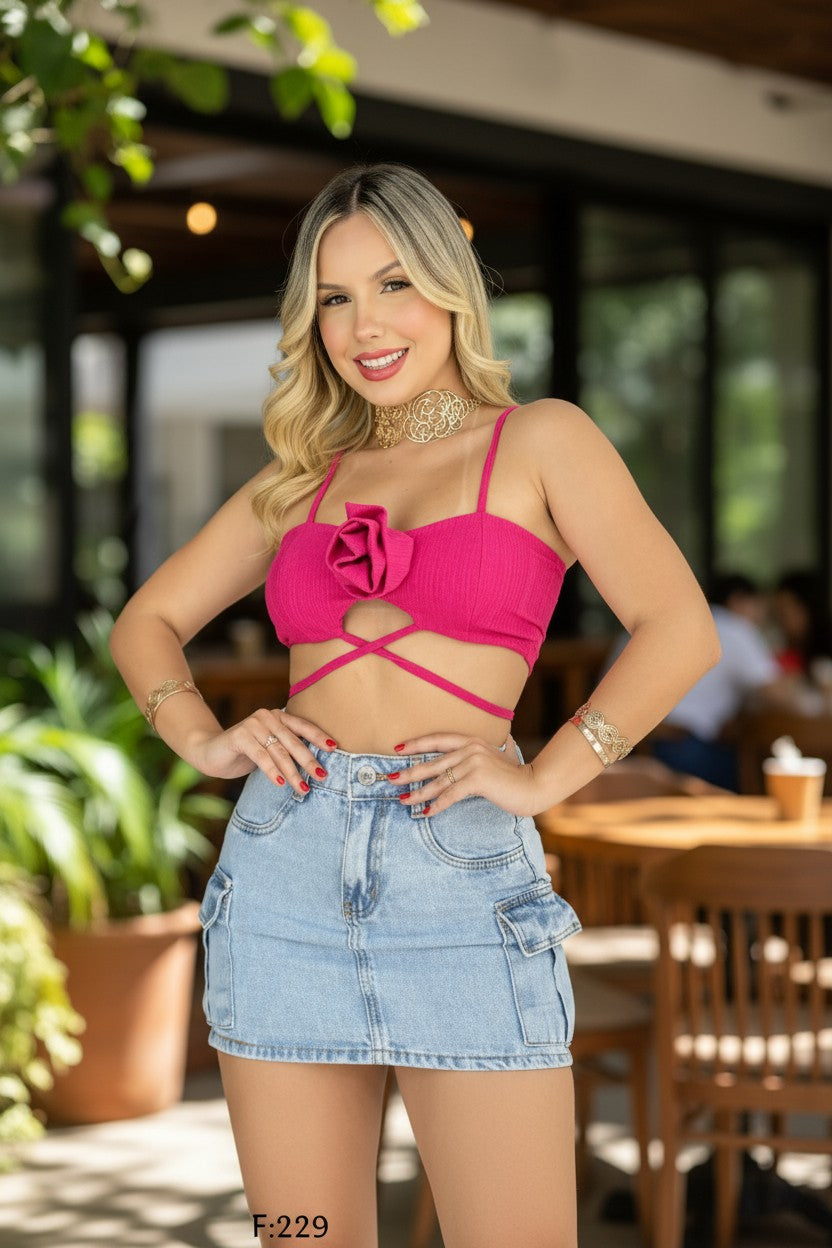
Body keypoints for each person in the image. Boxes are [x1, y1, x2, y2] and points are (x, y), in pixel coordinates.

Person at [109, 163, 719, 1248]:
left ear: (449, 290)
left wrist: (544, 777)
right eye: (334, 299)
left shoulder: (540, 441)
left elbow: (679, 627)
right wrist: (202, 736)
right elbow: (145, 622)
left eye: (392, 285)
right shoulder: (299, 476)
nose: (363, 325)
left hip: (460, 873)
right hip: (283, 868)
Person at [606, 572, 793, 790]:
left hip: (620, 746)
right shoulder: (736, 628)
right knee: (758, 772)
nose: (761, 616)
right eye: (759, 607)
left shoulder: (650, 621)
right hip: (677, 747)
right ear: (738, 600)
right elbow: (780, 696)